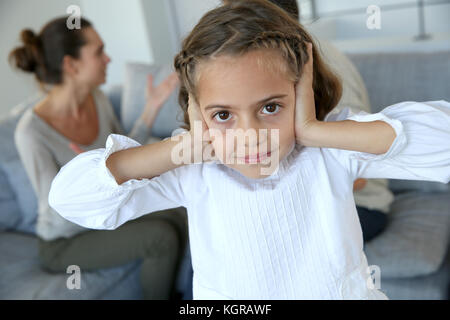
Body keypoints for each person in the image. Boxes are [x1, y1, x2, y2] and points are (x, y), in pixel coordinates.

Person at [48, 0, 450, 299]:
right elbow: (71, 199)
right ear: (198, 112)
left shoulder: (329, 150)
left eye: (270, 107)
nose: (251, 134)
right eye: (223, 115)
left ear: (302, 93)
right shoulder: (194, 170)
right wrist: (182, 149)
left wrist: (312, 130)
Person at [10, 16, 187, 299]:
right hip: (65, 241)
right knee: (160, 237)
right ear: (71, 64)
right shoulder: (30, 132)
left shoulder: (98, 100)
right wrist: (88, 178)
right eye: (98, 52)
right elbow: (58, 210)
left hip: (105, 211)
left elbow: (126, 156)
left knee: (179, 209)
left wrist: (151, 108)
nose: (108, 59)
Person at [225, 0, 391, 242]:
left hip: (360, 204)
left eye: (231, 16)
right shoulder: (259, 61)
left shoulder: (314, 64)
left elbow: (358, 177)